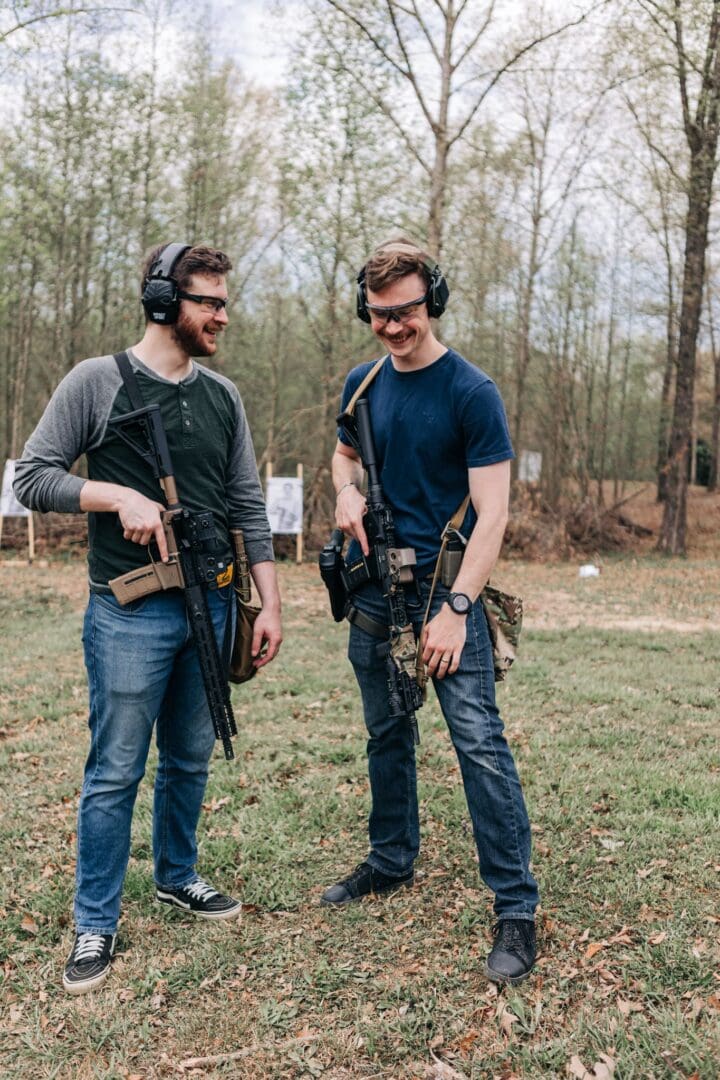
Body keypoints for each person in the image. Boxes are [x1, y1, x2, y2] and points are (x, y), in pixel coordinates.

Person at [14, 243, 282, 994]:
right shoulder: (97, 382)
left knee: (191, 756)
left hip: (215, 601)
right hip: (127, 613)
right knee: (115, 771)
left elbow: (247, 506)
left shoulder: (222, 396)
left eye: (225, 301)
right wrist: (117, 497)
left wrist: (270, 602)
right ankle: (94, 920)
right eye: (210, 302)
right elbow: (32, 477)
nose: (222, 316)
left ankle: (178, 875)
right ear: (165, 301)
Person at [323, 238, 539, 985]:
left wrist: (455, 608)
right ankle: (390, 859)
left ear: (432, 301)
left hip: (447, 593)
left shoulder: (471, 392)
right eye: (380, 314)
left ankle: (516, 905)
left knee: (477, 742)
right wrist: (345, 490)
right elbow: (343, 456)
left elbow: (494, 514)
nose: (394, 326)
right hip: (376, 589)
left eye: (407, 310)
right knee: (386, 731)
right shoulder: (361, 385)